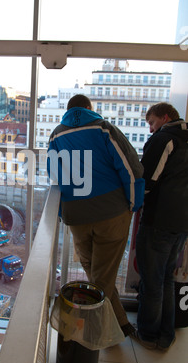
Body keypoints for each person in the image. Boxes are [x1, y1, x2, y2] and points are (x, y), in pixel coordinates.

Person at [47, 94, 145, 336]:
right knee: (103, 275)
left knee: (97, 271)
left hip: (77, 217)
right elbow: (131, 167)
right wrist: (135, 203)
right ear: (89, 108)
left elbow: (55, 176)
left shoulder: (56, 136)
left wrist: (63, 212)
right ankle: (95, 332)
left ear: (68, 111)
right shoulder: (103, 128)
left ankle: (120, 324)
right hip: (111, 212)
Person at [133, 102, 188, 350]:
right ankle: (167, 334)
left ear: (165, 118)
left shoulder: (165, 138)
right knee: (166, 277)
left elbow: (148, 180)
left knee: (153, 280)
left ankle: (147, 333)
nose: (151, 130)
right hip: (182, 223)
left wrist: (134, 198)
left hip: (160, 220)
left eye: (152, 123)